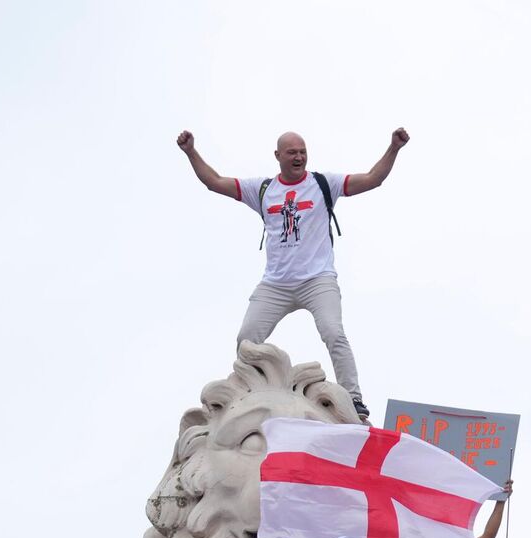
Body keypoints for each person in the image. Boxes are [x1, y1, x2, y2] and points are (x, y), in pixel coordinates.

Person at [175, 127, 409, 418]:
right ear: (278, 156)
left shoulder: (324, 184)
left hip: (317, 279)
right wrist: (191, 151)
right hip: (276, 284)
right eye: (292, 153)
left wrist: (394, 147)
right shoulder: (262, 190)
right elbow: (214, 182)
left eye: (303, 152)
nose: (299, 157)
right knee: (246, 339)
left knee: (334, 332)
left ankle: (353, 398)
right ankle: (249, 393)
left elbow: (373, 179)